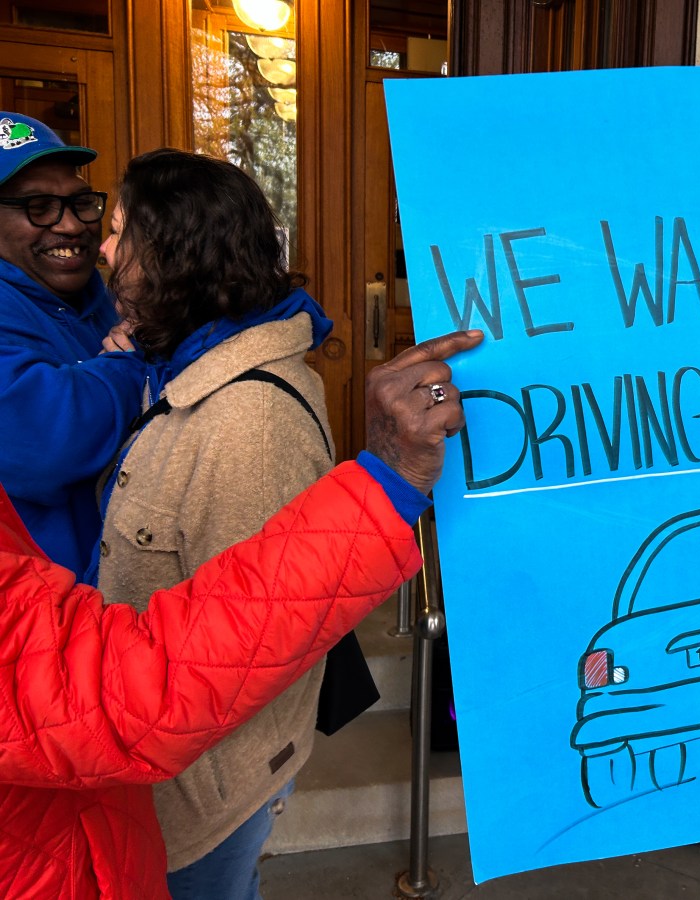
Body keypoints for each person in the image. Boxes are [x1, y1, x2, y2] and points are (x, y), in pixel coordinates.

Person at [0, 328, 482, 900]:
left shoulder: (251, 409)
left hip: (99, 833)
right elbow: (112, 689)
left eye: (122, 235)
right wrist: (385, 489)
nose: (105, 247)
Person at [88, 147, 347, 897]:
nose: (104, 248)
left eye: (118, 229)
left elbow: (249, 649)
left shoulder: (249, 421)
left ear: (171, 250)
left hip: (204, 785)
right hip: (165, 761)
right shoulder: (187, 373)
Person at [0, 111, 147, 579]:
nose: (71, 226)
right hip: (45, 616)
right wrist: (127, 364)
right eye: (39, 207)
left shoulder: (98, 297)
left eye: (81, 201)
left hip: (114, 595)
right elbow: (44, 444)